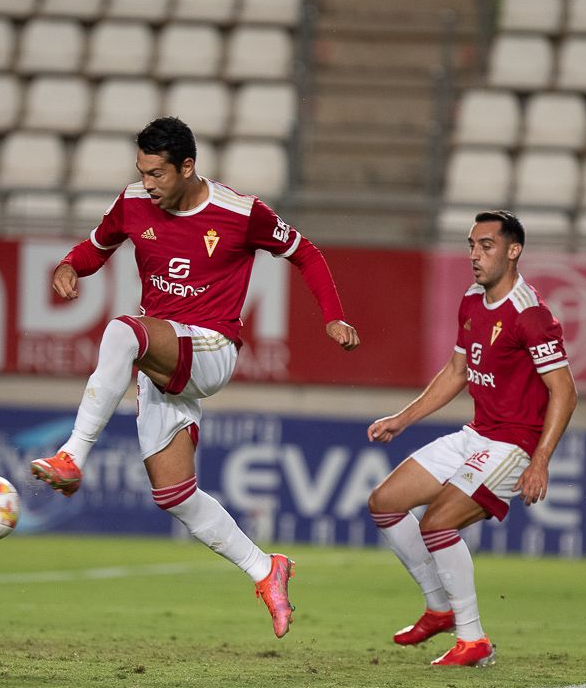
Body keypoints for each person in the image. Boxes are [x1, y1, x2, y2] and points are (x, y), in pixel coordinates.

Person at [28, 116, 360, 639]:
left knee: (121, 332)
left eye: (158, 173)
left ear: (188, 167)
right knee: (175, 495)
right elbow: (96, 247)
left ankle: (72, 455)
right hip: (164, 359)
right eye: (142, 172)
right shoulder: (133, 202)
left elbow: (306, 253)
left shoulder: (240, 212)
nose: (148, 184)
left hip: (211, 348)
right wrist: (69, 266)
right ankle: (266, 568)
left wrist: (333, 315)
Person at [365, 210, 577, 667]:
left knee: (437, 524)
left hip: (513, 444)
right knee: (384, 502)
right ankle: (438, 607)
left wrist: (539, 461)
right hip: (476, 435)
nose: (475, 256)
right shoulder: (471, 299)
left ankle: (473, 639)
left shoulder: (530, 314)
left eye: (486, 246)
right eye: (471, 245)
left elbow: (565, 390)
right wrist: (403, 418)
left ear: (513, 251)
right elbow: (457, 371)